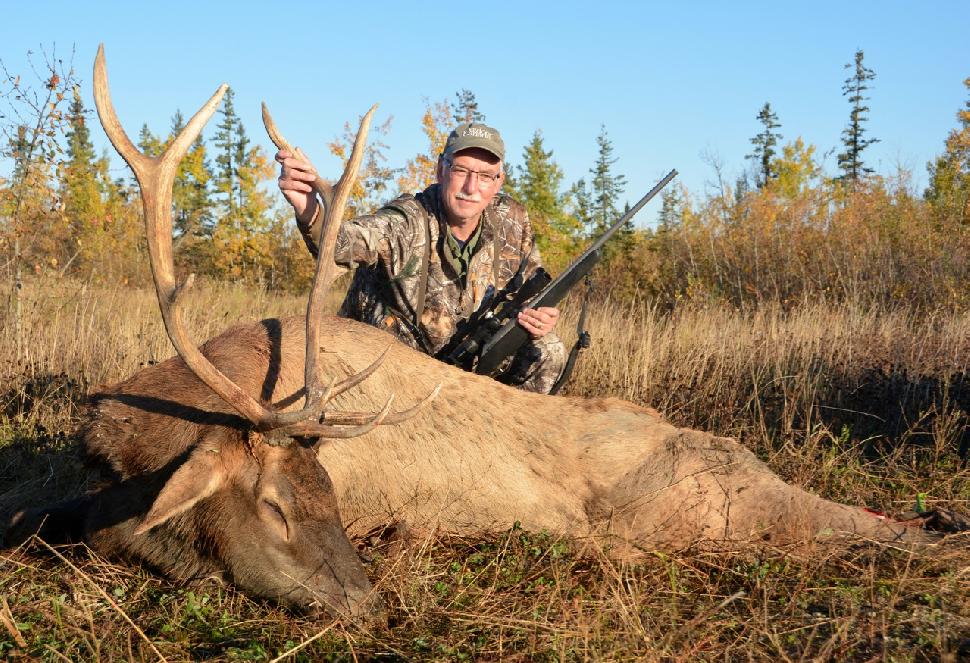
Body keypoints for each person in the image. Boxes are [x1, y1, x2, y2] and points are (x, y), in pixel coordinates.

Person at [276, 122, 566, 393]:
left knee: (547, 349)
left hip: (467, 364)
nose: (471, 187)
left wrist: (539, 317)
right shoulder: (405, 220)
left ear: (499, 181)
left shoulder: (513, 220)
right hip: (390, 369)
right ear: (441, 170)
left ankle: (508, 444)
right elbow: (341, 243)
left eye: (485, 176)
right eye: (461, 171)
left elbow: (530, 287)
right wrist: (308, 208)